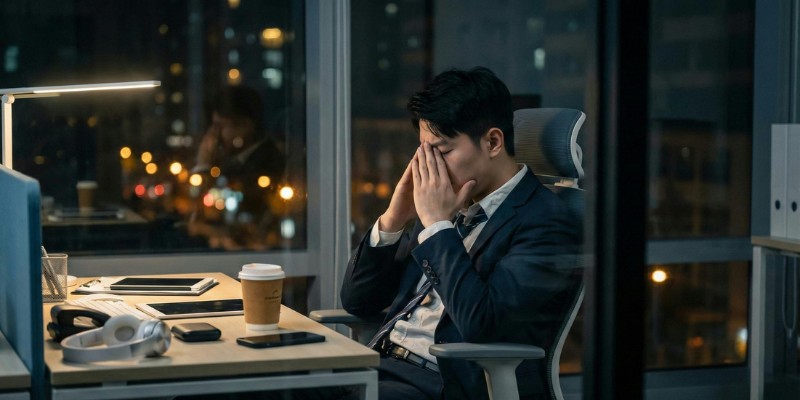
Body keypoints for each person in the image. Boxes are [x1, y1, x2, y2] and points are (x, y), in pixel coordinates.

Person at [339, 67, 581, 400]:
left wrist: (438, 227)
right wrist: (394, 217)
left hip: (441, 385)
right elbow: (358, 300)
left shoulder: (546, 221)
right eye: (424, 151)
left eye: (441, 151)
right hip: (381, 367)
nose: (430, 167)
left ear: (493, 142)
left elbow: (483, 324)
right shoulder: (446, 203)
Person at [187, 85, 287, 250]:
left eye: (220, 126)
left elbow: (237, 226)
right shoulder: (233, 163)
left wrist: (203, 166)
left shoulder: (264, 166)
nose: (214, 135)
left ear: (245, 126)